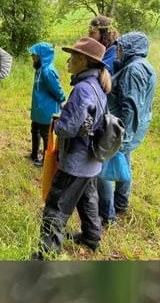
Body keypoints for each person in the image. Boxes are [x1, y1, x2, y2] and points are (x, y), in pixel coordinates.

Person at [36, 37, 110, 257]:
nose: (68, 61)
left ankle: (47, 254)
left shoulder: (82, 89)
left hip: (76, 162)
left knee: (55, 206)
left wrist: (58, 123)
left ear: (83, 60)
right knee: (88, 199)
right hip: (91, 161)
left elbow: (67, 129)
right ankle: (90, 237)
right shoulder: (98, 85)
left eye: (72, 57)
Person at [99, 32, 155, 226]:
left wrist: (119, 134)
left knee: (103, 169)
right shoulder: (143, 66)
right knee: (124, 162)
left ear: (132, 48)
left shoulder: (134, 70)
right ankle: (121, 203)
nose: (117, 53)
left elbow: (130, 105)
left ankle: (107, 214)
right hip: (132, 128)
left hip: (121, 128)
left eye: (121, 48)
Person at [28, 42, 66, 167]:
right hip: (38, 107)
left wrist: (62, 100)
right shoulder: (40, 69)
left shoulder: (48, 71)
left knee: (46, 135)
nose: (32, 57)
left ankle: (46, 161)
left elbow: (57, 90)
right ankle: (34, 154)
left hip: (47, 109)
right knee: (35, 130)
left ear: (42, 55)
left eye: (34, 55)